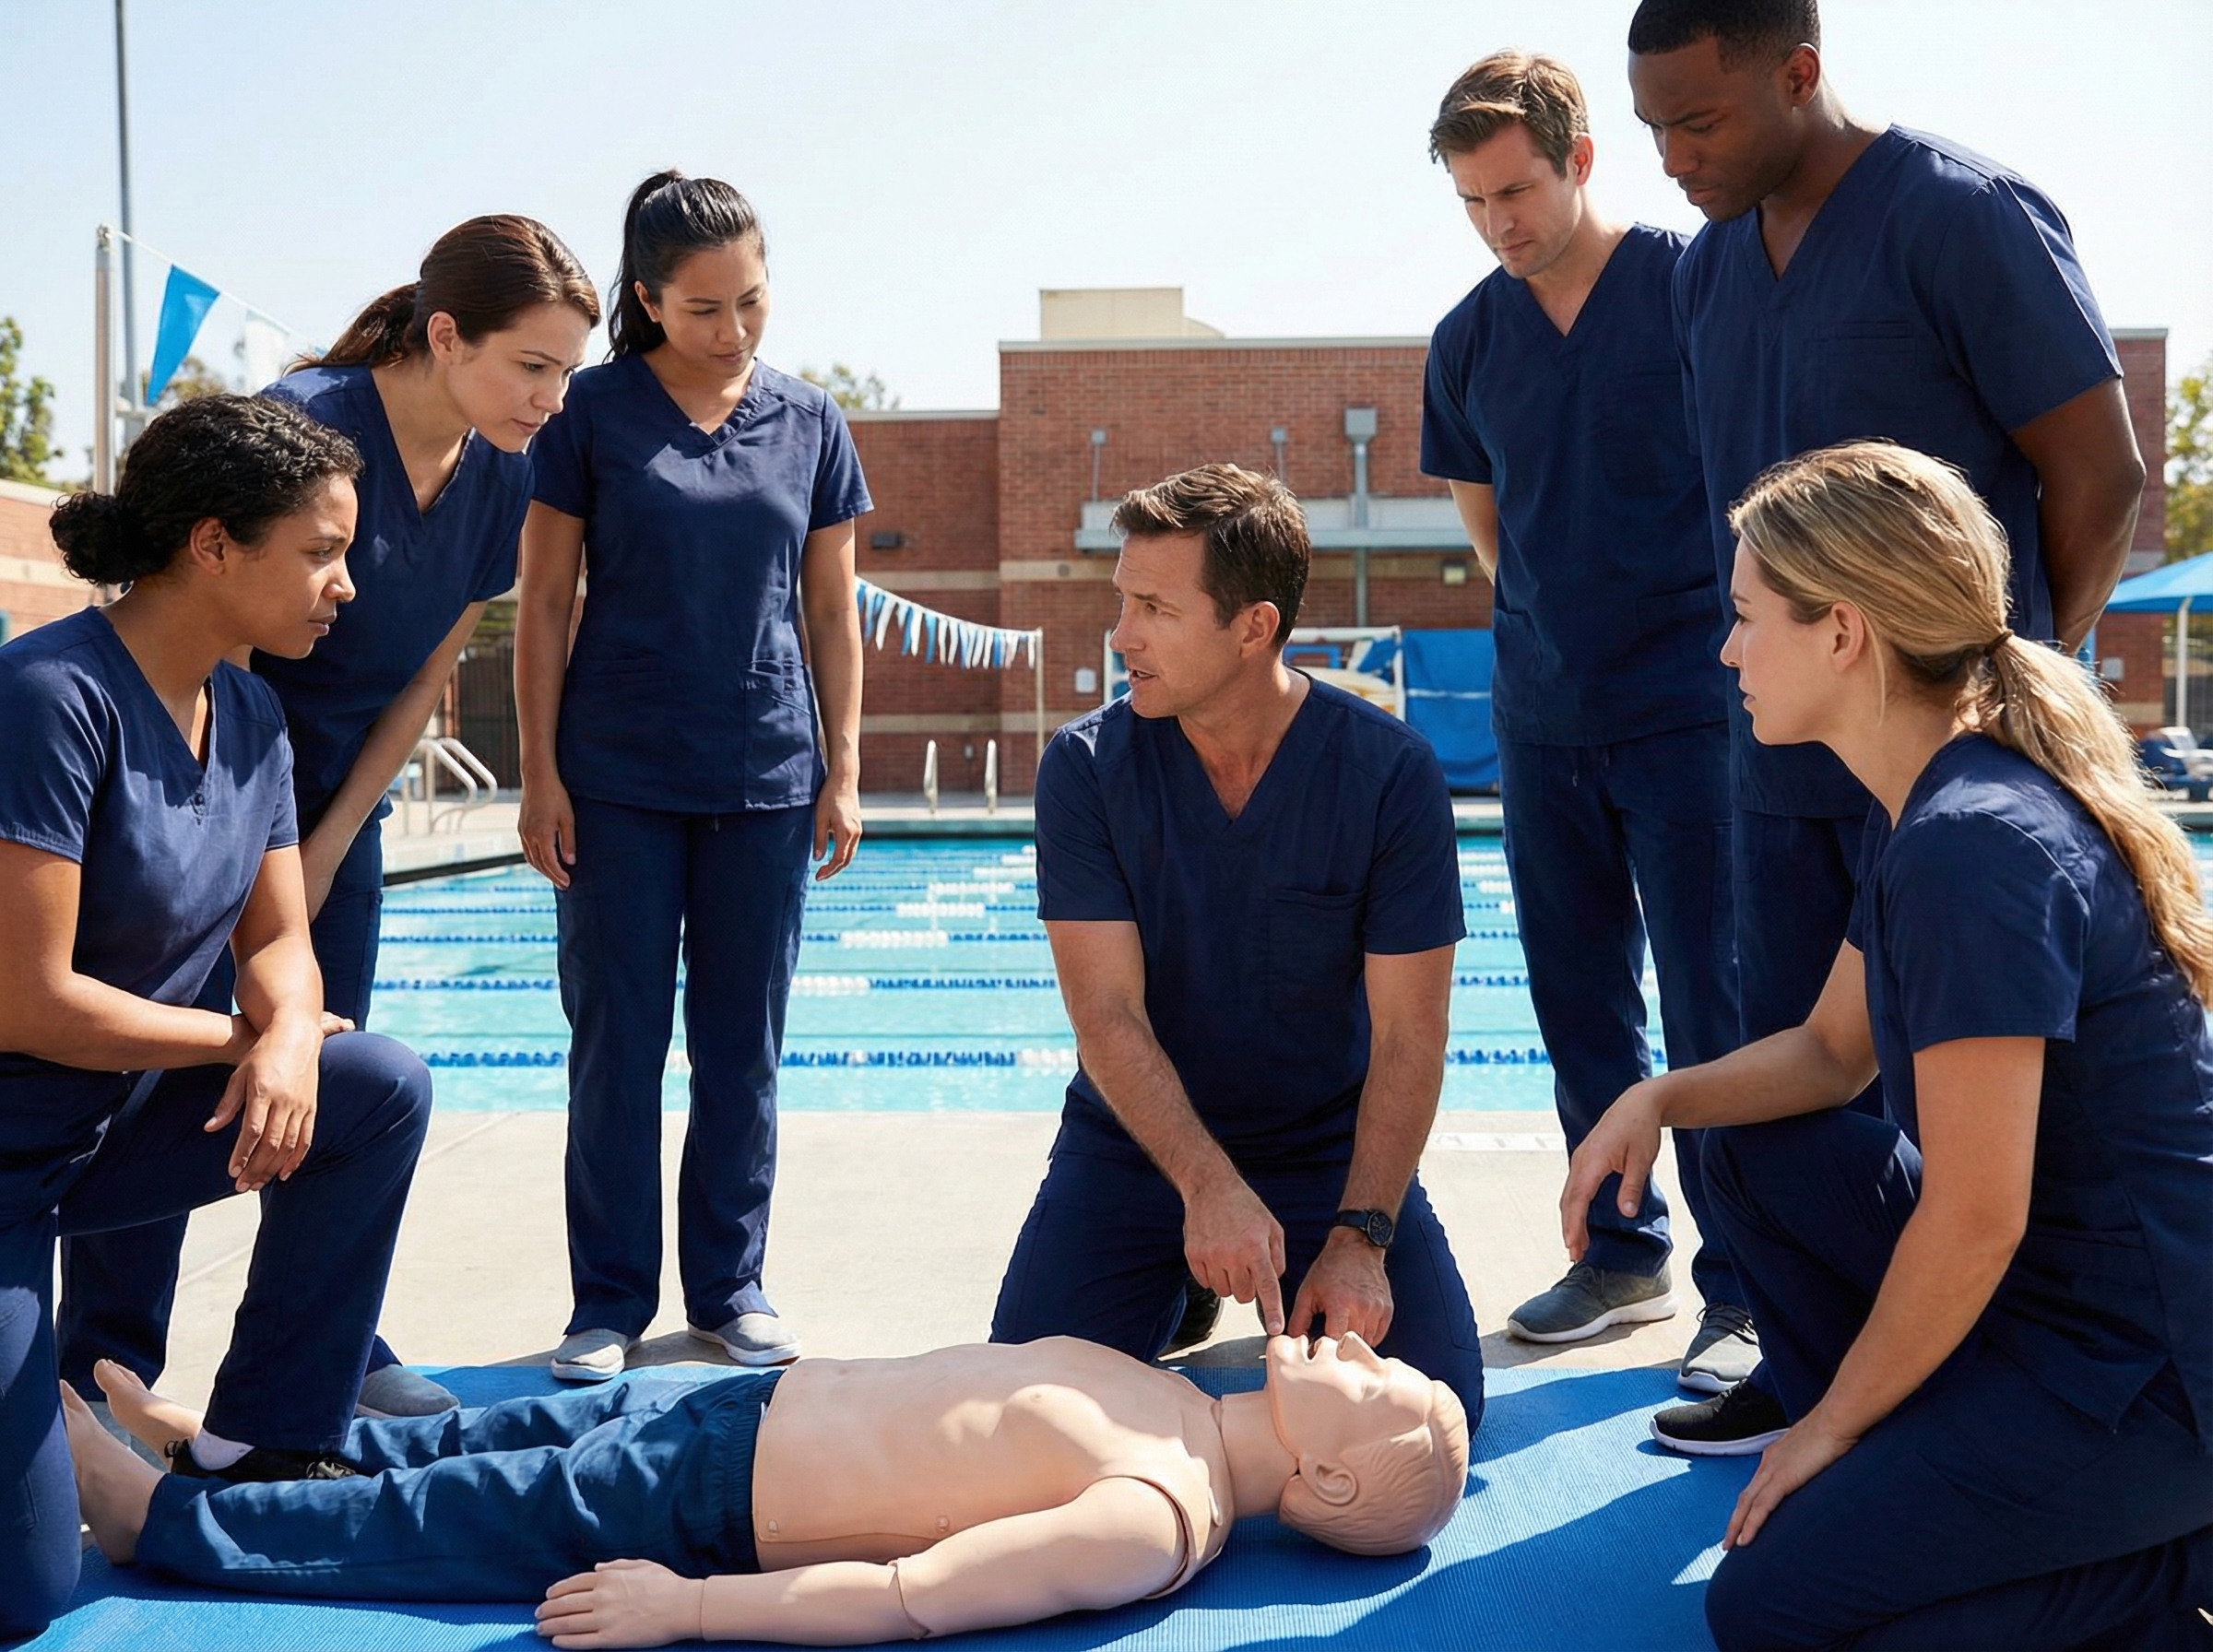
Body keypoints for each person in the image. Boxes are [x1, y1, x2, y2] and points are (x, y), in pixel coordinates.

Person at [1563, 441, 2213, 1650]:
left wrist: (1828, 1431)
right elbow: (1826, 1055)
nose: (1728, 651)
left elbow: (1975, 1215)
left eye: (1749, 618)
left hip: (2153, 1379)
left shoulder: (1977, 842)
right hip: (2052, 1316)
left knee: (1776, 1609)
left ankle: (2168, 1576)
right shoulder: (1927, 803)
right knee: (1744, 1140)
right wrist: (1654, 1098)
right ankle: (1926, 1461)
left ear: (1845, 632)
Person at [1626, 0, 2147, 1452]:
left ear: (1799, 72)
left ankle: (2017, 1392)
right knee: (1791, 1077)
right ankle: (1820, 1370)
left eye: (1700, 120)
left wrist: (1988, 702)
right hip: (1787, 766)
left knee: (1975, 1108)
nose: (1669, 156)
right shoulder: (1710, 272)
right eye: (1653, 124)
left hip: (1948, 755)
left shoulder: (1963, 219)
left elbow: (2097, 478)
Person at [57, 215, 598, 1424]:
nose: (553, 400)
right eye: (534, 367)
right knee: (163, 1076)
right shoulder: (309, 424)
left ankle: (333, 1350)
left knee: (328, 1071)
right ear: (446, 335)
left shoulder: (505, 476)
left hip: (336, 807)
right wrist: (245, 837)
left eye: (568, 373)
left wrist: (331, 841)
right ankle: (104, 1370)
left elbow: (427, 678)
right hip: (198, 791)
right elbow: (201, 626)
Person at [0, 395, 434, 1638]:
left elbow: (281, 938)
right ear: (213, 545)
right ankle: (57, 1430)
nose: (343, 587)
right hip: (7, 1144)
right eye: (319, 552)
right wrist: (248, 1045)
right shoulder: (46, 698)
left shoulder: (249, 717)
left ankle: (259, 1445)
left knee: (374, 1086)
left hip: (107, 1132)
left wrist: (294, 1031)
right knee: (22, 1596)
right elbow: (30, 1000)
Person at [989, 464, 1485, 1419]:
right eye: (1121, 601)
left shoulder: (1389, 776)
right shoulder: (1086, 769)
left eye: (1153, 609)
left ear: (1253, 626)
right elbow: (1107, 1014)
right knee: (1026, 1418)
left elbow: (1410, 1035)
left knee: (1428, 1412)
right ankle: (1179, 1281)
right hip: (1135, 1150)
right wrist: (1205, 1186)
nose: (1120, 635)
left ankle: (1227, 1271)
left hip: (1328, 1156)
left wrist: (1362, 1233)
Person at [1419, 50, 1750, 1393]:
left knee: (1719, 1006)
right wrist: (1563, 641)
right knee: (1580, 1001)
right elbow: (1489, 522)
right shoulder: (1468, 339)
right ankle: (1621, 1256)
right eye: (1474, 201)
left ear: (1581, 159)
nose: (1501, 221)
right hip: (1545, 718)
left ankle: (1753, 1281)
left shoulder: (1691, 284)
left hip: (1695, 710)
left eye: (1517, 189)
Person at [65, 1329, 1468, 1644]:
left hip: (716, 1512)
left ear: (1335, 1473)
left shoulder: (1156, 1512)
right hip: (735, 1406)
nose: (1373, 1348)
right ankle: (220, 1448)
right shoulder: (1191, 1389)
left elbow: (917, 1599)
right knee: (465, 1445)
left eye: (1391, 1383)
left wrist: (689, 1613)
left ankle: (168, 1524)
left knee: (449, 1519)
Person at [516, 171, 869, 1382]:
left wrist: (844, 771)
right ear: (647, 300)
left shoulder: (813, 424)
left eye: (752, 304)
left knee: (742, 1048)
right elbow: (545, 603)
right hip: (613, 777)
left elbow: (832, 610)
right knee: (617, 1043)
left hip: (767, 778)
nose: (733, 332)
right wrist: (539, 774)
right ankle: (606, 1301)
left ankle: (730, 1285)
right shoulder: (589, 413)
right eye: (706, 309)